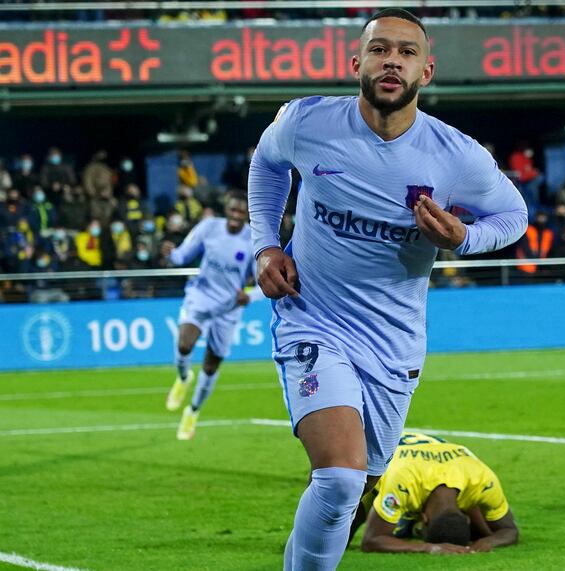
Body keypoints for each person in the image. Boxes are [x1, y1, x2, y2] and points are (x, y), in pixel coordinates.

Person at [247, 8, 527, 570]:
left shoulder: (457, 155)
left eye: (405, 51)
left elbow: (513, 216)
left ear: (427, 71)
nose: (391, 59)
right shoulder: (308, 123)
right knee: (340, 474)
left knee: (355, 491)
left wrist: (463, 236)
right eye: (380, 50)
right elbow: (266, 164)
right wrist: (264, 244)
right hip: (312, 317)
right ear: (357, 64)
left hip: (393, 342)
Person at [163, 191, 261, 440]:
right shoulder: (208, 227)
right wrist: (170, 253)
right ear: (226, 209)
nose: (236, 215)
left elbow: (263, 282)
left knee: (211, 363)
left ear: (247, 214)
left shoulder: (253, 240)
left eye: (241, 211)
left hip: (229, 307)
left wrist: (250, 296)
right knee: (184, 343)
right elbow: (182, 256)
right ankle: (184, 377)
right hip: (201, 296)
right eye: (233, 209)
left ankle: (192, 412)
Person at [354, 431, 518, 554]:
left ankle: (408, 522)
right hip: (367, 455)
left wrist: (487, 542)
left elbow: (510, 532)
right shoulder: (403, 482)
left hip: (422, 463)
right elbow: (370, 541)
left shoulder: (482, 479)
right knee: (336, 536)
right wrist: (430, 548)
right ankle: (408, 522)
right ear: (423, 519)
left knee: (479, 527)